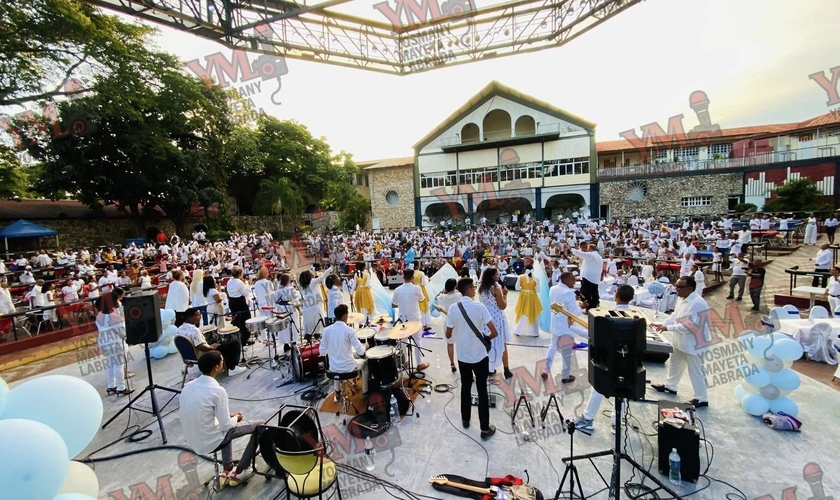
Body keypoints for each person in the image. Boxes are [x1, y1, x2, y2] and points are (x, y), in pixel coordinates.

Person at [179, 351, 261, 485]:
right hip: (210, 441)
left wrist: (230, 417)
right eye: (221, 361)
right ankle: (240, 470)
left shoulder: (188, 387)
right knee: (260, 425)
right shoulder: (217, 391)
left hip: (194, 441)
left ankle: (227, 467)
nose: (223, 363)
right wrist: (235, 418)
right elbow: (226, 426)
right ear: (216, 367)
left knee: (225, 424)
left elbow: (204, 414)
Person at [574, 284, 635, 432]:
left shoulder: (606, 315)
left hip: (609, 358)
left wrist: (571, 327)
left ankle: (588, 419)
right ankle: (617, 423)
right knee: (624, 390)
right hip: (629, 359)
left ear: (616, 295)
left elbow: (592, 335)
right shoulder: (636, 315)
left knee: (599, 387)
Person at [445, 278, 498, 440]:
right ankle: (484, 429)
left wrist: (461, 334)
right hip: (480, 356)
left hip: (463, 356)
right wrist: (485, 338)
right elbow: (494, 332)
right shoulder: (479, 307)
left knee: (466, 387)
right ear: (468, 290)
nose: (475, 290)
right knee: (482, 389)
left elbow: (448, 334)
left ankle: (466, 419)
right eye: (473, 288)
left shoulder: (454, 308)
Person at [651, 276, 711, 408]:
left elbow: (690, 326)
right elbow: (674, 316)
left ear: (690, 288)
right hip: (681, 341)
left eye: (679, 287)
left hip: (695, 343)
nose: (676, 289)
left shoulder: (697, 303)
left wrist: (667, 328)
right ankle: (670, 386)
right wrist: (662, 323)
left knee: (695, 370)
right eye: (676, 286)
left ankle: (701, 398)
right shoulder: (681, 299)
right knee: (675, 364)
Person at [543, 272, 585, 384]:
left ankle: (545, 370)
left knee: (552, 347)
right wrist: (581, 307)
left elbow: (561, 304)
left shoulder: (553, 289)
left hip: (555, 323)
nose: (574, 281)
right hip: (566, 327)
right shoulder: (569, 294)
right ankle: (565, 376)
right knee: (566, 353)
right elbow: (574, 313)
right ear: (565, 280)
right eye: (572, 279)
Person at [320, 305, 368, 399]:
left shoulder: (326, 330)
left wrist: (335, 351)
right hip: (348, 368)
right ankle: (365, 392)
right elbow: (361, 351)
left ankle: (337, 392)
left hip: (333, 368)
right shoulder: (349, 331)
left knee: (338, 361)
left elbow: (322, 352)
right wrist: (365, 346)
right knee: (365, 363)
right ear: (344, 316)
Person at [177, 307, 243, 376]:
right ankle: (232, 368)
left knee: (215, 340)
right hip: (201, 354)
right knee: (234, 344)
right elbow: (201, 347)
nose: (200, 317)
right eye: (198, 315)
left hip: (189, 355)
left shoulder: (178, 330)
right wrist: (211, 347)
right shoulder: (194, 330)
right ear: (190, 317)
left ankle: (224, 363)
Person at [96, 289, 132, 396]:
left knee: (110, 363)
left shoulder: (99, 314)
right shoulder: (113, 316)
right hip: (114, 341)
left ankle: (111, 385)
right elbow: (121, 331)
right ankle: (121, 387)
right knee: (119, 365)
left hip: (103, 341)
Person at [391, 269, 429, 370]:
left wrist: (402, 303)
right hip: (415, 318)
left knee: (403, 341)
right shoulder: (417, 288)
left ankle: (406, 362)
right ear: (413, 278)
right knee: (417, 341)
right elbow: (422, 299)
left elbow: (393, 304)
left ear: (403, 277)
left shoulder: (397, 290)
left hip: (403, 320)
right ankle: (419, 363)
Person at [478, 268, 512, 379]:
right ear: (493, 276)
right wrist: (505, 295)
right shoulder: (496, 288)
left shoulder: (481, 288)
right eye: (497, 274)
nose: (498, 275)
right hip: (497, 317)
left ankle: (489, 368)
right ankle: (506, 369)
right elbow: (502, 306)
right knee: (502, 344)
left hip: (485, 318)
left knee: (487, 343)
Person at [435, 278, 462, 373]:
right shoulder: (459, 295)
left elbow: (435, 297)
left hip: (448, 322)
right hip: (459, 322)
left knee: (450, 343)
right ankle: (462, 361)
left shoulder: (443, 297)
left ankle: (452, 363)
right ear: (455, 286)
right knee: (460, 343)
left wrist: (442, 291)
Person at [298, 266, 332, 339]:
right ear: (309, 276)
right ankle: (317, 338)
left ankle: (308, 339)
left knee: (309, 325)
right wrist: (330, 269)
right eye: (311, 273)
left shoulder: (303, 285)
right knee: (317, 324)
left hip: (307, 307)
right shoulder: (312, 282)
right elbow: (322, 276)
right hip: (315, 306)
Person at [571, 243, 603, 310]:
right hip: (595, 278)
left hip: (588, 277)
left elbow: (582, 254)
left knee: (586, 293)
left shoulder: (591, 255)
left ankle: (588, 307)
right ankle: (593, 306)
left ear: (590, 249)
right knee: (594, 293)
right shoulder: (599, 257)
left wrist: (572, 249)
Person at [226, 267, 253, 345]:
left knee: (237, 320)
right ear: (240, 274)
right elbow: (245, 293)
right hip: (239, 301)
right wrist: (249, 285)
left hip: (232, 301)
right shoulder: (239, 282)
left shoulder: (229, 281)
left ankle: (237, 337)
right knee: (244, 319)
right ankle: (245, 338)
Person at [513, 265, 542, 337]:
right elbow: (538, 290)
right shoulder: (536, 278)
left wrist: (523, 288)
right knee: (533, 313)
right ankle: (534, 332)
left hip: (524, 297)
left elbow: (516, 288)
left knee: (523, 313)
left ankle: (518, 330)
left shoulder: (520, 277)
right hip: (533, 297)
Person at [252, 267, 274, 342]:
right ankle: (271, 339)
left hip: (261, 303)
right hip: (267, 303)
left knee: (262, 321)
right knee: (270, 321)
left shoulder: (256, 283)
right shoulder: (268, 282)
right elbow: (271, 294)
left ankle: (264, 338)